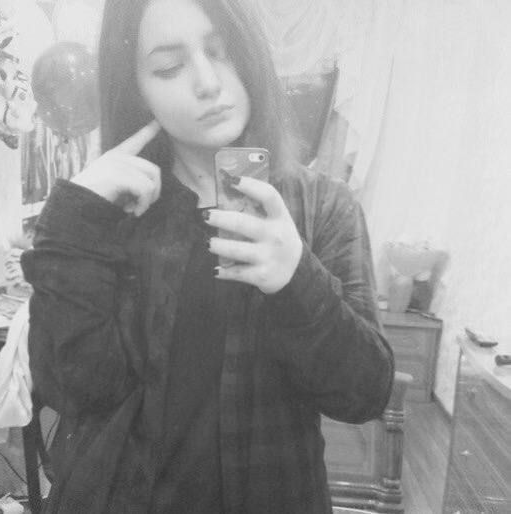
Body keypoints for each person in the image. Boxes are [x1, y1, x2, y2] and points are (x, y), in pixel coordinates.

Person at [21, 0, 394, 512]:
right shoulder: (112, 209)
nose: (207, 82)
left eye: (222, 51)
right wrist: (73, 224)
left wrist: (297, 279)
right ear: (136, 86)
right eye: (169, 67)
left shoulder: (321, 207)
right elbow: (72, 392)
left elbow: (364, 393)